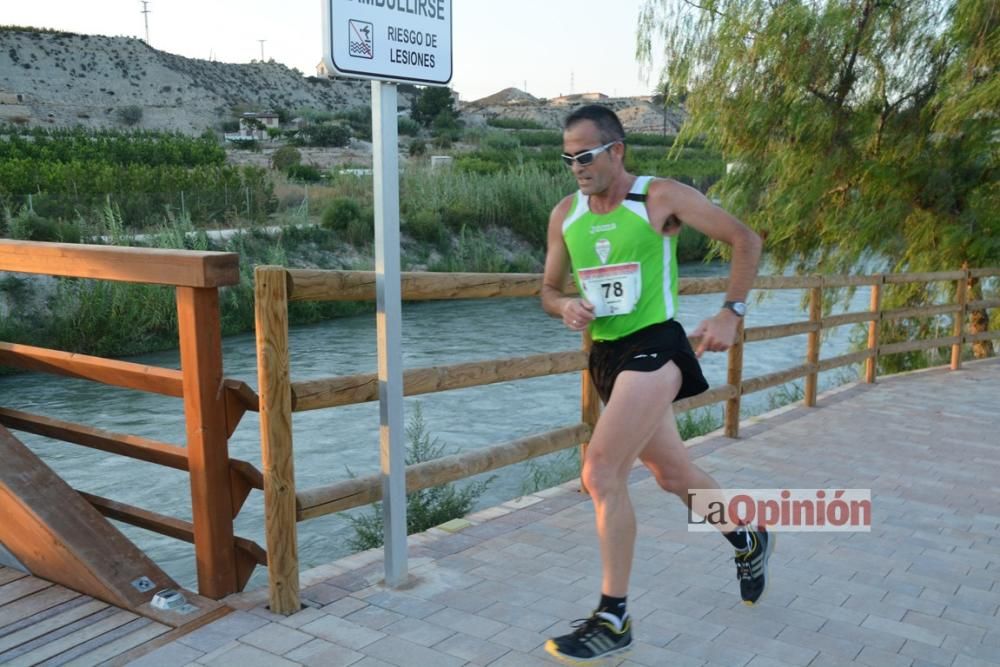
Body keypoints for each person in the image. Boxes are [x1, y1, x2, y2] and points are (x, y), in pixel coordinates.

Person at [540, 104, 771, 664]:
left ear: (616, 150)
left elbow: (745, 239)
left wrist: (730, 313)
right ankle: (748, 537)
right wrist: (564, 305)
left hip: (658, 345)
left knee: (600, 472)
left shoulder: (658, 197)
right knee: (670, 474)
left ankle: (613, 617)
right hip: (607, 357)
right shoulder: (565, 214)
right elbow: (547, 289)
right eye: (568, 157)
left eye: (586, 155)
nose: (577, 166)